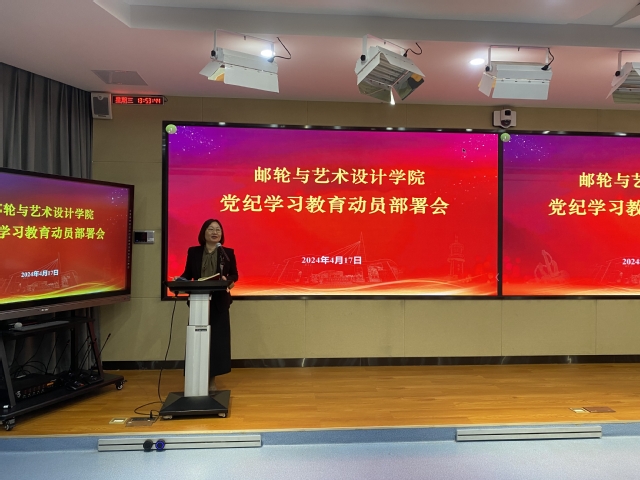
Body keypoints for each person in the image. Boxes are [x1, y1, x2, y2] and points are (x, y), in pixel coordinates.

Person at [179, 219, 238, 391]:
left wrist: (228, 279)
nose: (215, 232)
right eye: (211, 229)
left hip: (219, 303)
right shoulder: (194, 252)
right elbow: (187, 274)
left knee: (216, 343)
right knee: (198, 340)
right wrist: (180, 280)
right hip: (199, 302)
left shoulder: (227, 253)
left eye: (218, 230)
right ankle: (196, 378)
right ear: (203, 232)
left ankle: (212, 379)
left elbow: (234, 274)